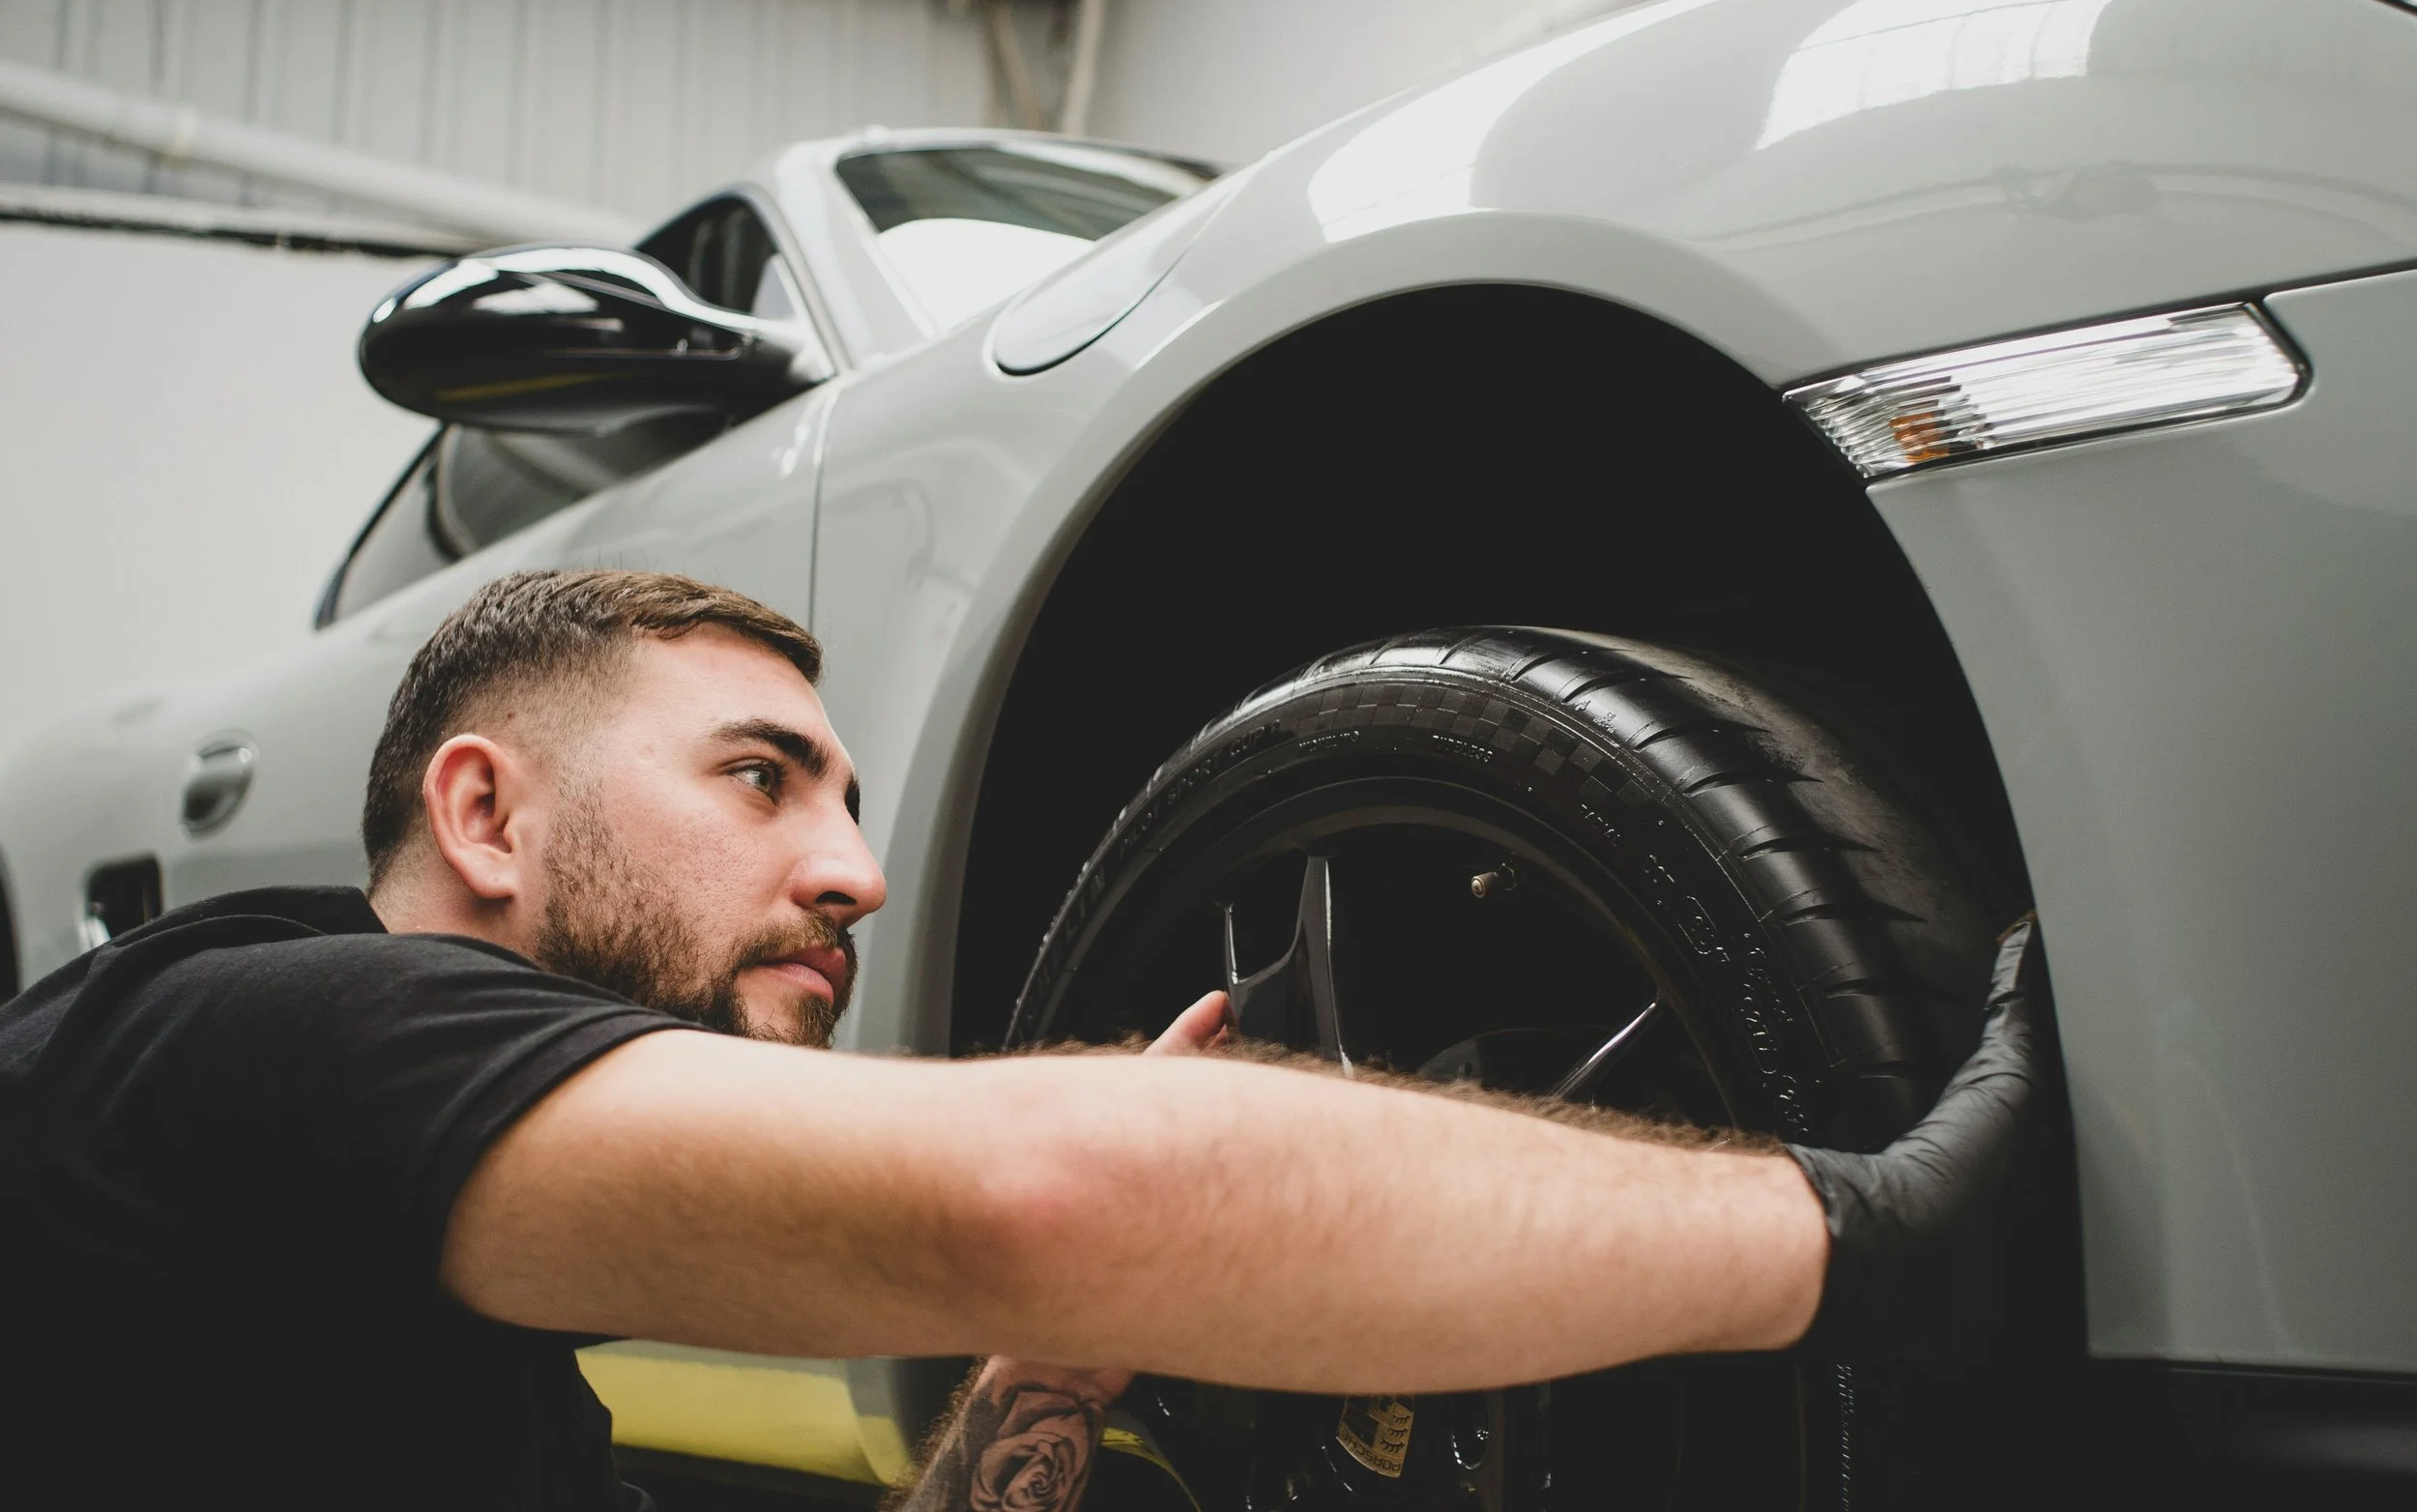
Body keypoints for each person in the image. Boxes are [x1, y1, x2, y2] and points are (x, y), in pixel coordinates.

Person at [0, 570, 2042, 1510]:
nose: (858, 876)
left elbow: (1046, 1249)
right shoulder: (239, 1025)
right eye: (762, 780)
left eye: (858, 808)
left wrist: (1053, 1369)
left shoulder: (466, 1373)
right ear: (483, 817)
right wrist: (1871, 1237)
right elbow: (1045, 1191)